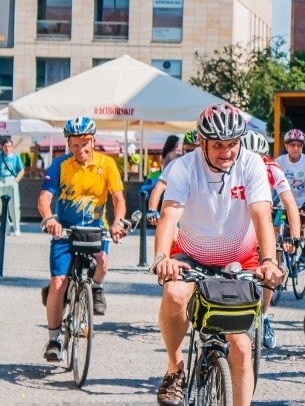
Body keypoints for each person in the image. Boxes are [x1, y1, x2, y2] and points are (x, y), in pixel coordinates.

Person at [152, 103, 285, 406]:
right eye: (218, 146)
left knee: (240, 346)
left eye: (233, 144)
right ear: (202, 142)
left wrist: (269, 261)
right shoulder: (185, 167)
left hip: (240, 258)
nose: (227, 152)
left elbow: (262, 215)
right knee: (173, 294)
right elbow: (169, 215)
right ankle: (174, 370)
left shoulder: (251, 164)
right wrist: (162, 258)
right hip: (191, 254)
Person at [38, 117, 126, 362]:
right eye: (75, 145)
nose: (80, 150)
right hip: (64, 231)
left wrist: (118, 222)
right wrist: (50, 219)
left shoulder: (107, 164)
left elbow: (118, 199)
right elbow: (44, 199)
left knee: (103, 262)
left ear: (93, 140)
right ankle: (54, 339)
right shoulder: (59, 165)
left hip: (96, 229)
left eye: (85, 143)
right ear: (68, 143)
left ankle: (95, 289)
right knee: (58, 282)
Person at [240, 129, 301, 350]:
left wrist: (294, 236)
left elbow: (290, 203)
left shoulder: (272, 168)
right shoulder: (232, 167)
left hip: (262, 222)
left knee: (270, 265)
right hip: (238, 226)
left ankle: (264, 316)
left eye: (258, 158)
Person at [146, 130, 200, 227]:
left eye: (197, 151)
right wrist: (152, 210)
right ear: (183, 149)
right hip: (179, 218)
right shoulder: (177, 163)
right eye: (189, 151)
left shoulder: (213, 166)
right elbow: (159, 187)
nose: (192, 155)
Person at [275, 129, 305, 213]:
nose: (296, 148)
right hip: (283, 204)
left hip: (302, 203)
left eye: (299, 145)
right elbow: (272, 183)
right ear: (286, 146)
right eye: (292, 145)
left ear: (302, 147)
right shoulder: (279, 161)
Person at [0, 137, 25, 236]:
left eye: (9, 146)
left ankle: (16, 228)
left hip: (11, 179)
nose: (7, 148)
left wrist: (16, 180)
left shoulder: (16, 157)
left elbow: (21, 170)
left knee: (14, 205)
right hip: (1, 180)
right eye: (5, 146)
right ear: (2, 147)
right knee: (2, 207)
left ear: (12, 147)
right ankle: (6, 228)